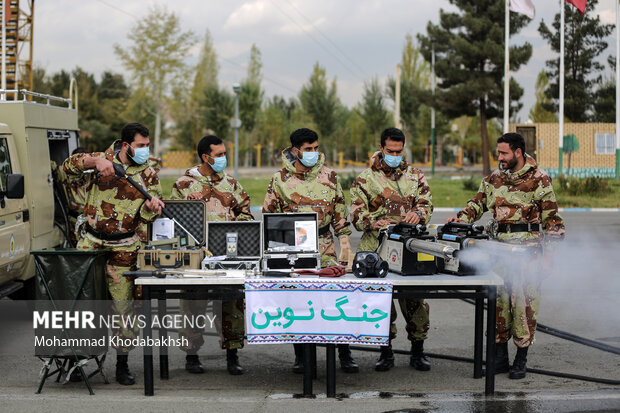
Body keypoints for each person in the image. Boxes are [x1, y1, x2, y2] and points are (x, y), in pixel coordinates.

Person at [446, 132, 565, 379]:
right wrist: (461, 219)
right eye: (498, 153)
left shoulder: (539, 179)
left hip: (528, 252)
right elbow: (476, 204)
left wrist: (549, 257)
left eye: (504, 153)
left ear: (518, 153)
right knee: (498, 304)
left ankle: (520, 360)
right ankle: (500, 360)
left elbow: (553, 221)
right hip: (498, 250)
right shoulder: (494, 178)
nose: (499, 157)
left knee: (523, 305)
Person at [63, 122, 164, 385]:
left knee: (123, 306)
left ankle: (122, 363)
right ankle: (76, 361)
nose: (145, 150)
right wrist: (94, 161)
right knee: (80, 301)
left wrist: (152, 207)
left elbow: (146, 213)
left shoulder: (149, 173)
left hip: (125, 246)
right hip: (92, 242)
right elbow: (66, 169)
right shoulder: (102, 160)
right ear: (126, 144)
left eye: (147, 145)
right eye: (141, 146)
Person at [262, 127, 358, 374]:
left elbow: (339, 212)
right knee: (298, 300)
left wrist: (344, 242)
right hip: (293, 246)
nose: (314, 153)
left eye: (316, 148)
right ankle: (302, 355)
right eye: (308, 149)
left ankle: (344, 352)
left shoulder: (330, 176)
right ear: (296, 151)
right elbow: (269, 216)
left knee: (335, 298)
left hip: (325, 244)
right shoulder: (279, 179)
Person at [350, 127, 433, 372]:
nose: (395, 155)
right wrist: (372, 221)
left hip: (408, 247)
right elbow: (355, 212)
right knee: (379, 302)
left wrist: (418, 214)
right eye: (390, 151)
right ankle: (385, 352)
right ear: (381, 148)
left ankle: (418, 351)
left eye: (399, 151)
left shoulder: (415, 175)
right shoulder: (366, 178)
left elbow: (426, 202)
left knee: (415, 301)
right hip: (376, 248)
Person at [170, 135, 252, 375]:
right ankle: (191, 355)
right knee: (192, 307)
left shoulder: (232, 185)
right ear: (205, 157)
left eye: (224, 153)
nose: (223, 159)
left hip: (227, 257)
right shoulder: (184, 184)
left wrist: (236, 227)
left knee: (231, 306)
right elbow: (172, 220)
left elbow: (246, 215)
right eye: (219, 155)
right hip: (196, 258)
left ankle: (232, 354)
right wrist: (188, 203)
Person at [53, 147, 89, 246]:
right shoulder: (66, 174)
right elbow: (47, 163)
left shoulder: (95, 174)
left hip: (93, 221)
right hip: (75, 220)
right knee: (77, 249)